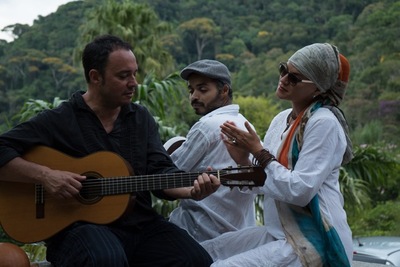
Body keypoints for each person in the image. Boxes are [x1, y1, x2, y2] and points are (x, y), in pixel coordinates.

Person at [0, 34, 219, 267]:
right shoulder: (61, 119)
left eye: (134, 73)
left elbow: (160, 171)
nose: (134, 82)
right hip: (79, 229)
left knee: (195, 260)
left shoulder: (140, 118)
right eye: (123, 76)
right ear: (95, 77)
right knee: (106, 258)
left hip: (140, 225)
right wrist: (46, 176)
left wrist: (190, 190)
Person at [201, 43, 354, 266]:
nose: (283, 79)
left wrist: (257, 151)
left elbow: (299, 190)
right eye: (284, 69)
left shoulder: (324, 123)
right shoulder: (281, 119)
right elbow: (270, 177)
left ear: (318, 89)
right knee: (205, 251)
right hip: (280, 231)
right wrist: (242, 159)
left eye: (294, 78)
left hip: (312, 239)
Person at [167, 59, 258, 242]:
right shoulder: (247, 125)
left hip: (199, 233)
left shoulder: (207, 126)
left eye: (202, 89)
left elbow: (167, 171)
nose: (194, 97)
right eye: (191, 90)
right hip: (239, 234)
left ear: (224, 91)